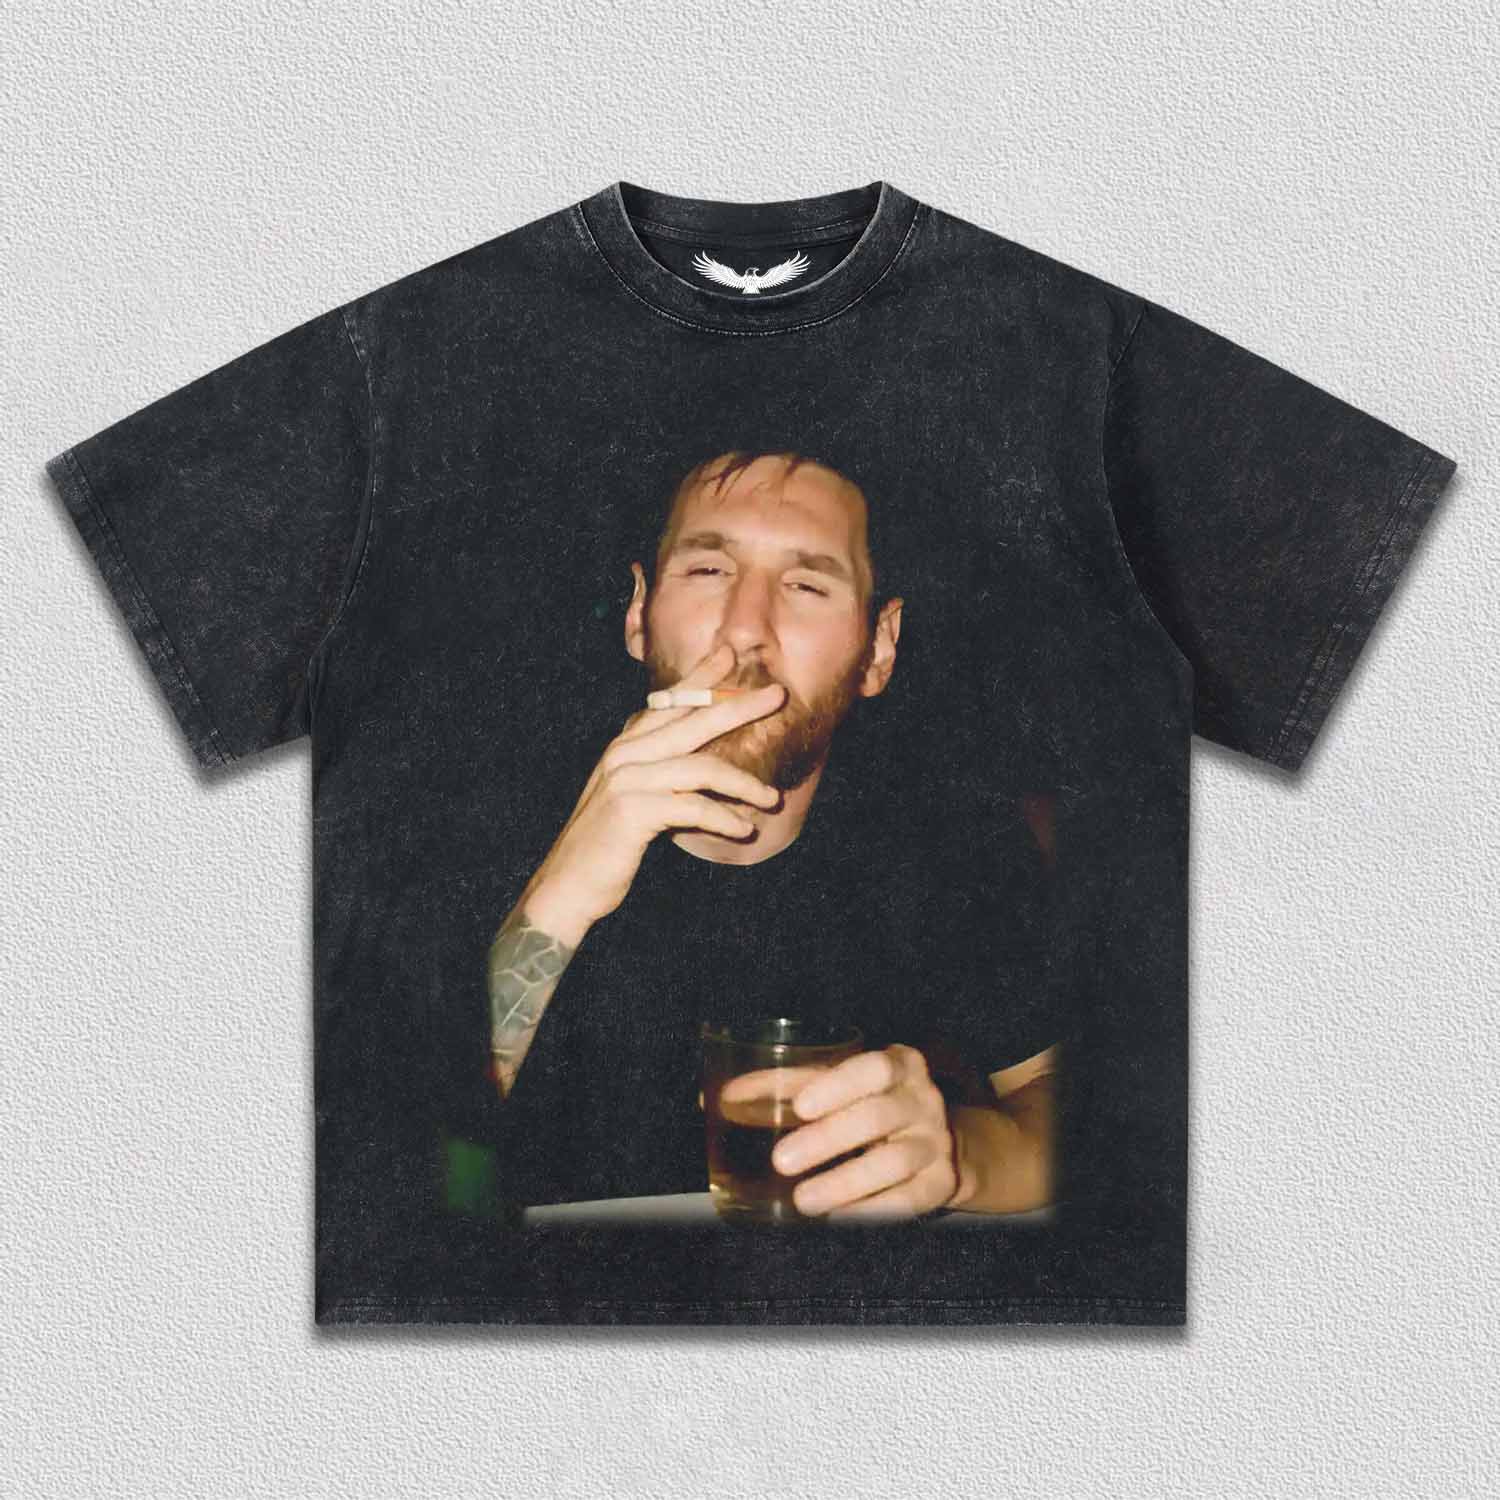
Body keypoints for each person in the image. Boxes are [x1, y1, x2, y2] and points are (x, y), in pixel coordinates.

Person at [484, 449, 1058, 1220]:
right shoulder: (477, 802)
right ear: (638, 614)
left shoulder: (946, 832)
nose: (745, 628)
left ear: (878, 649)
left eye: (806, 585)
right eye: (708, 571)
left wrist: (961, 1155)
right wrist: (559, 898)